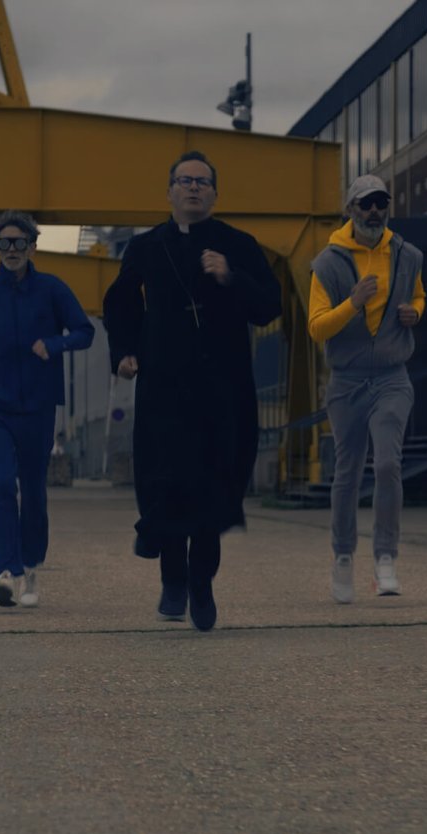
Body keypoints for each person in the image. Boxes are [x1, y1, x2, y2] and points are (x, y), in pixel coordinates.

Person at [102, 151, 282, 631]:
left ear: (215, 194)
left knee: (212, 487)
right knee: (166, 482)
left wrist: (230, 276)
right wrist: (124, 351)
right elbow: (120, 303)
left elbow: (270, 305)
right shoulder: (145, 247)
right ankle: (172, 578)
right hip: (164, 387)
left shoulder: (238, 245)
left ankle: (201, 583)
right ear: (169, 192)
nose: (194, 188)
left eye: (202, 182)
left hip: (222, 389)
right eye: (185, 181)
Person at [0, 210, 95, 609]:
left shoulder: (52, 289)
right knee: (1, 483)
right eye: (4, 242)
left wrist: (54, 344)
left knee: (33, 490)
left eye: (20, 242)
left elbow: (84, 331)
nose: (12, 249)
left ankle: (31, 566)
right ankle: (5, 572)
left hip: (38, 404)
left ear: (33, 247)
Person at [307, 175, 426, 604]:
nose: (374, 211)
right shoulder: (327, 263)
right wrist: (353, 302)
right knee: (348, 471)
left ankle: (386, 559)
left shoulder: (408, 255)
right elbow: (317, 327)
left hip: (392, 377)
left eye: (381, 203)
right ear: (350, 210)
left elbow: (419, 296)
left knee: (389, 463)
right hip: (347, 382)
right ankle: (343, 556)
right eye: (365, 204)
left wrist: (415, 312)